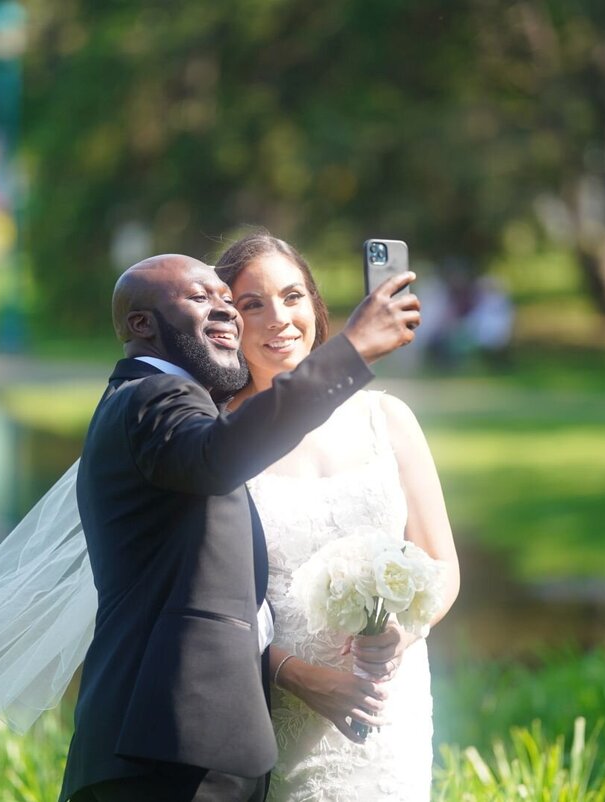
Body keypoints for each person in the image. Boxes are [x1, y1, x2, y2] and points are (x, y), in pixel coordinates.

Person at [64, 254, 418, 802]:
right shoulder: (153, 398)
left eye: (228, 299)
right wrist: (356, 349)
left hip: (195, 751)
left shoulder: (160, 407)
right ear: (141, 325)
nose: (225, 309)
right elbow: (220, 454)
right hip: (166, 755)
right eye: (202, 297)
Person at [215, 232, 460, 801]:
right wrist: (296, 676)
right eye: (253, 304)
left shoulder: (387, 418)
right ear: (229, 322)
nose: (279, 317)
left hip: (390, 708)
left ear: (316, 305)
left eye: (293, 295)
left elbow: (442, 562)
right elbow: (209, 604)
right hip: (283, 712)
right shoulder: (221, 442)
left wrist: (404, 631)